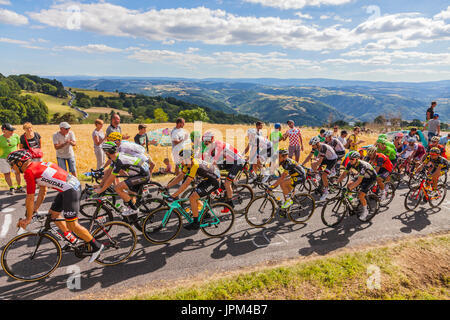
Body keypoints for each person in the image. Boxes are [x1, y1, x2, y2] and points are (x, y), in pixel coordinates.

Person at [9, 149, 104, 263]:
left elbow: (29, 198)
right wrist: (35, 209)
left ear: (20, 163)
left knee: (72, 224)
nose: (11, 168)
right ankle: (72, 239)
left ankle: (97, 246)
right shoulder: (36, 165)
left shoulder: (29, 172)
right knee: (53, 215)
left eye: (12, 164)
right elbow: (43, 190)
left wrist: (28, 218)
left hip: (70, 190)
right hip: (67, 188)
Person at [164, 148, 220, 231]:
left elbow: (186, 183)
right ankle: (205, 213)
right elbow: (180, 176)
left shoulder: (195, 165)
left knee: (192, 197)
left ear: (189, 158)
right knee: (193, 196)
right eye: (180, 159)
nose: (180, 161)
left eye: (182, 159)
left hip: (214, 181)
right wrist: (167, 186)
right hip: (207, 179)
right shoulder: (187, 164)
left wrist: (174, 195)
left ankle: (196, 223)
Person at [94, 142, 151, 220]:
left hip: (143, 175)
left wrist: (101, 190)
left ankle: (134, 209)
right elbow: (108, 173)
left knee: (118, 188)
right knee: (130, 194)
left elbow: (111, 179)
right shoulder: (115, 157)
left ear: (106, 152)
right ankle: (133, 216)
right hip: (138, 173)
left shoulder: (119, 161)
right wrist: (100, 185)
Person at [202, 131, 245, 210]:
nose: (206, 144)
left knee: (227, 183)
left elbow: (214, 161)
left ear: (211, 140)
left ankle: (230, 204)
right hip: (231, 161)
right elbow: (207, 158)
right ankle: (223, 187)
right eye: (204, 143)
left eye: (206, 142)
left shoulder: (218, 145)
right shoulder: (212, 146)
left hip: (238, 162)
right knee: (216, 169)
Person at [336, 151, 378, 220]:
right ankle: (352, 202)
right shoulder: (350, 163)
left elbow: (359, 181)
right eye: (350, 158)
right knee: (349, 184)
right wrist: (337, 182)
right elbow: (344, 174)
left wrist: (349, 189)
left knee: (360, 195)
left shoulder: (363, 166)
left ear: (357, 159)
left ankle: (365, 211)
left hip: (371, 178)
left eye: (352, 159)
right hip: (363, 176)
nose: (350, 160)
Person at [301, 136, 338, 201]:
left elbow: (320, 161)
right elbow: (309, 156)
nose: (312, 147)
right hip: (326, 158)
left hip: (332, 160)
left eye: (313, 145)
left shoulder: (323, 147)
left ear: (317, 143)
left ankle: (326, 191)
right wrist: (302, 164)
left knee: (324, 175)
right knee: (313, 164)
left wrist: (314, 167)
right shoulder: (315, 147)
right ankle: (318, 176)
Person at [0, 123, 23, 194]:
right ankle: (11, 188)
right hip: (3, 159)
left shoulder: (16, 136)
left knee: (17, 172)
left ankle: (19, 187)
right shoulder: (0, 138)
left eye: (12, 130)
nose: (12, 132)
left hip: (14, 158)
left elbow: (18, 146)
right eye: (10, 130)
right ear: (4, 131)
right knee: (7, 173)